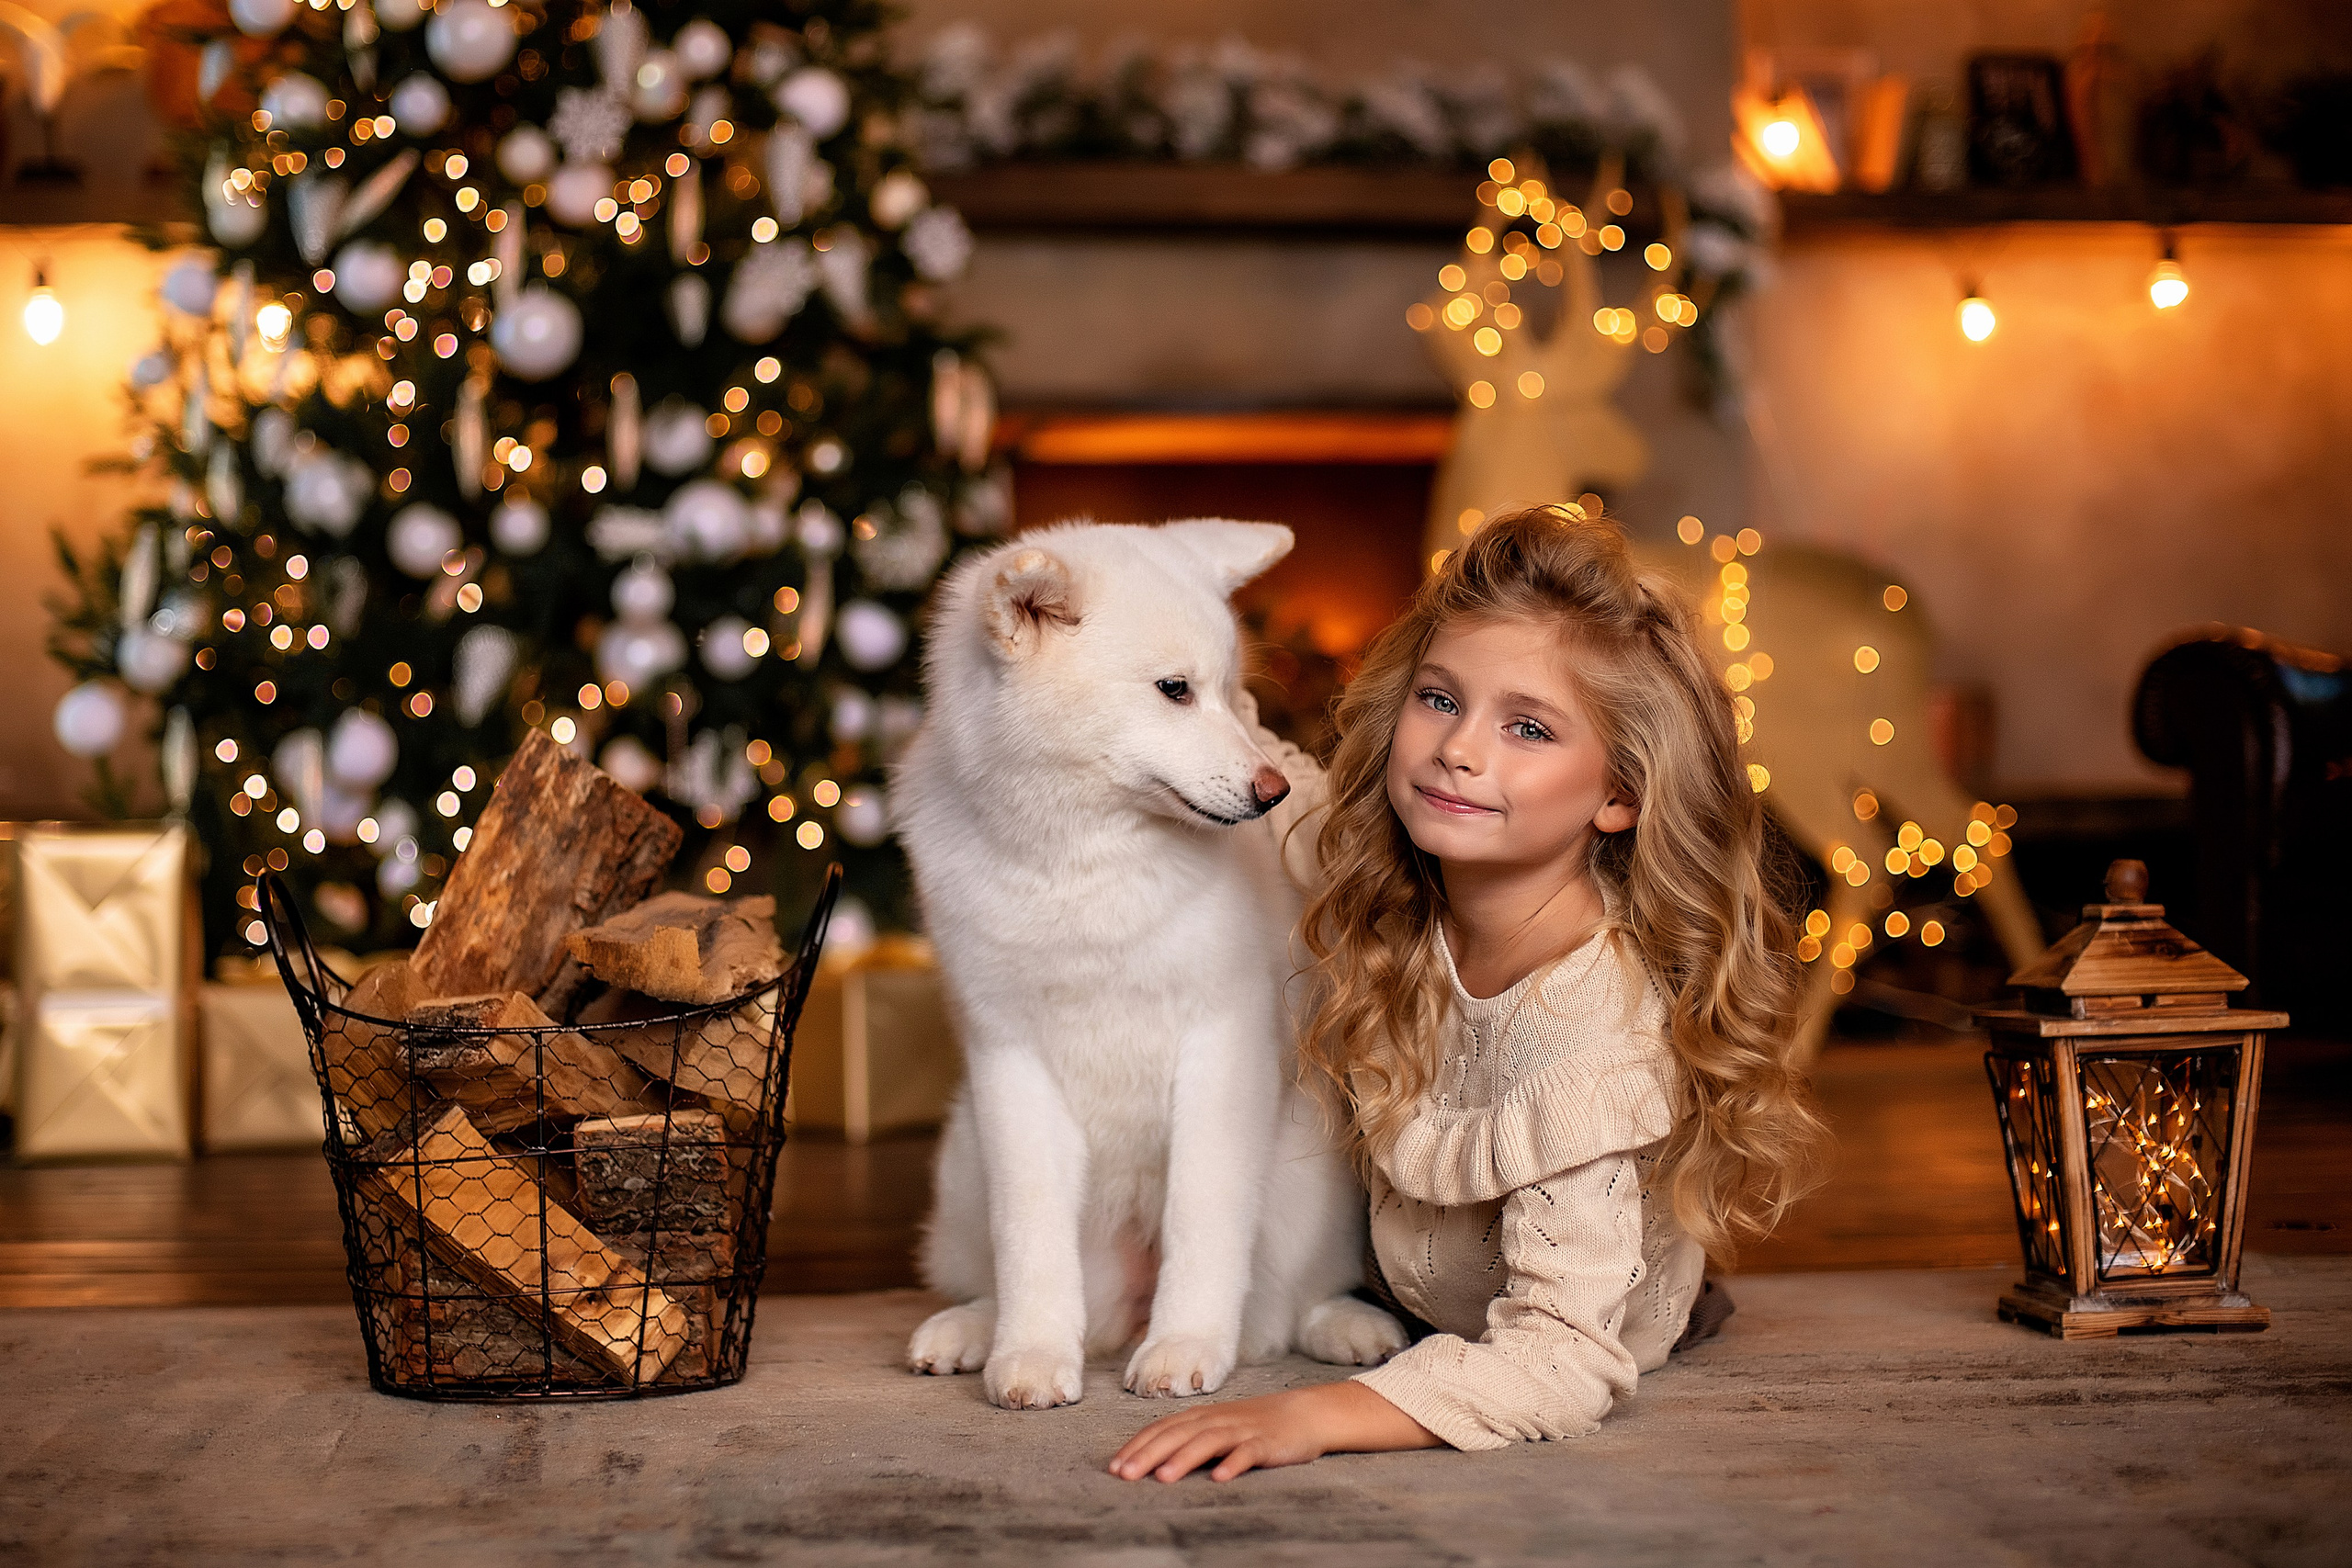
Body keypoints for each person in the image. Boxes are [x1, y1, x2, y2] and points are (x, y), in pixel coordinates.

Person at [1111, 503, 1826, 1483]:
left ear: (1619, 793)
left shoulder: (1592, 1033)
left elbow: (1559, 1363)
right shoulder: (1391, 881)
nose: (1459, 748)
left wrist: (1311, 1414)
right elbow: (1287, 800)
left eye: (1527, 727)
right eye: (1441, 699)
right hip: (1408, 1283)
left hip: (1558, 1314)